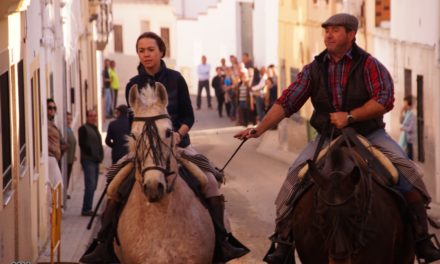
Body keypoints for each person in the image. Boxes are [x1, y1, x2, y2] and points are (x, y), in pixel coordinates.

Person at [235, 13, 440, 263]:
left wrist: (351, 116)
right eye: (326, 30)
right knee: (292, 180)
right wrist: (260, 128)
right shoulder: (314, 69)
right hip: (327, 137)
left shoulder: (369, 65)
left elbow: (384, 99)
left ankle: (422, 240)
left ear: (351, 34)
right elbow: (287, 101)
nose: (328, 35)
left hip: (369, 134)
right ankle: (283, 242)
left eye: (335, 30)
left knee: (409, 174)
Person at [80, 31, 248, 263]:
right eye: (141, 50)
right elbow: (133, 125)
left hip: (178, 145)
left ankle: (223, 240)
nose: (146, 54)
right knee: (113, 184)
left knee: (209, 181)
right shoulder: (133, 85)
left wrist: (178, 135)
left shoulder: (176, 79)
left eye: (150, 49)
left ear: (161, 51)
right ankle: (104, 244)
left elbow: (188, 117)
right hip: (144, 149)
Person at [78, 110, 104, 216]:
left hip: (95, 161)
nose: (93, 118)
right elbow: (83, 144)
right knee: (90, 185)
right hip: (88, 161)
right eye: (91, 116)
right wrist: (92, 154)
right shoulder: (83, 129)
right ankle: (86, 209)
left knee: (93, 186)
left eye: (95, 116)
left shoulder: (94, 128)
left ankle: (88, 208)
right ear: (87, 117)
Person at [47, 99, 67, 187]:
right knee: (58, 186)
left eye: (54, 108)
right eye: (50, 108)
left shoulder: (52, 124)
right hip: (50, 158)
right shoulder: (45, 125)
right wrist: (54, 150)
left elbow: (60, 138)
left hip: (57, 158)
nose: (52, 110)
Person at [399, 95, 416, 160]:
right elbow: (401, 121)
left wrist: (403, 128)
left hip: (409, 140)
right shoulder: (407, 113)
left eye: (405, 102)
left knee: (409, 159)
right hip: (405, 139)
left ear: (408, 103)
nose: (404, 104)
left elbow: (411, 129)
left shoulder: (412, 114)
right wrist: (401, 111)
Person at [66, 112, 77, 199]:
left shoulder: (69, 129)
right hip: (66, 159)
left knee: (68, 176)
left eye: (70, 119)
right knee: (66, 177)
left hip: (70, 158)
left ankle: (65, 192)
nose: (69, 121)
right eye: (67, 119)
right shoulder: (65, 130)